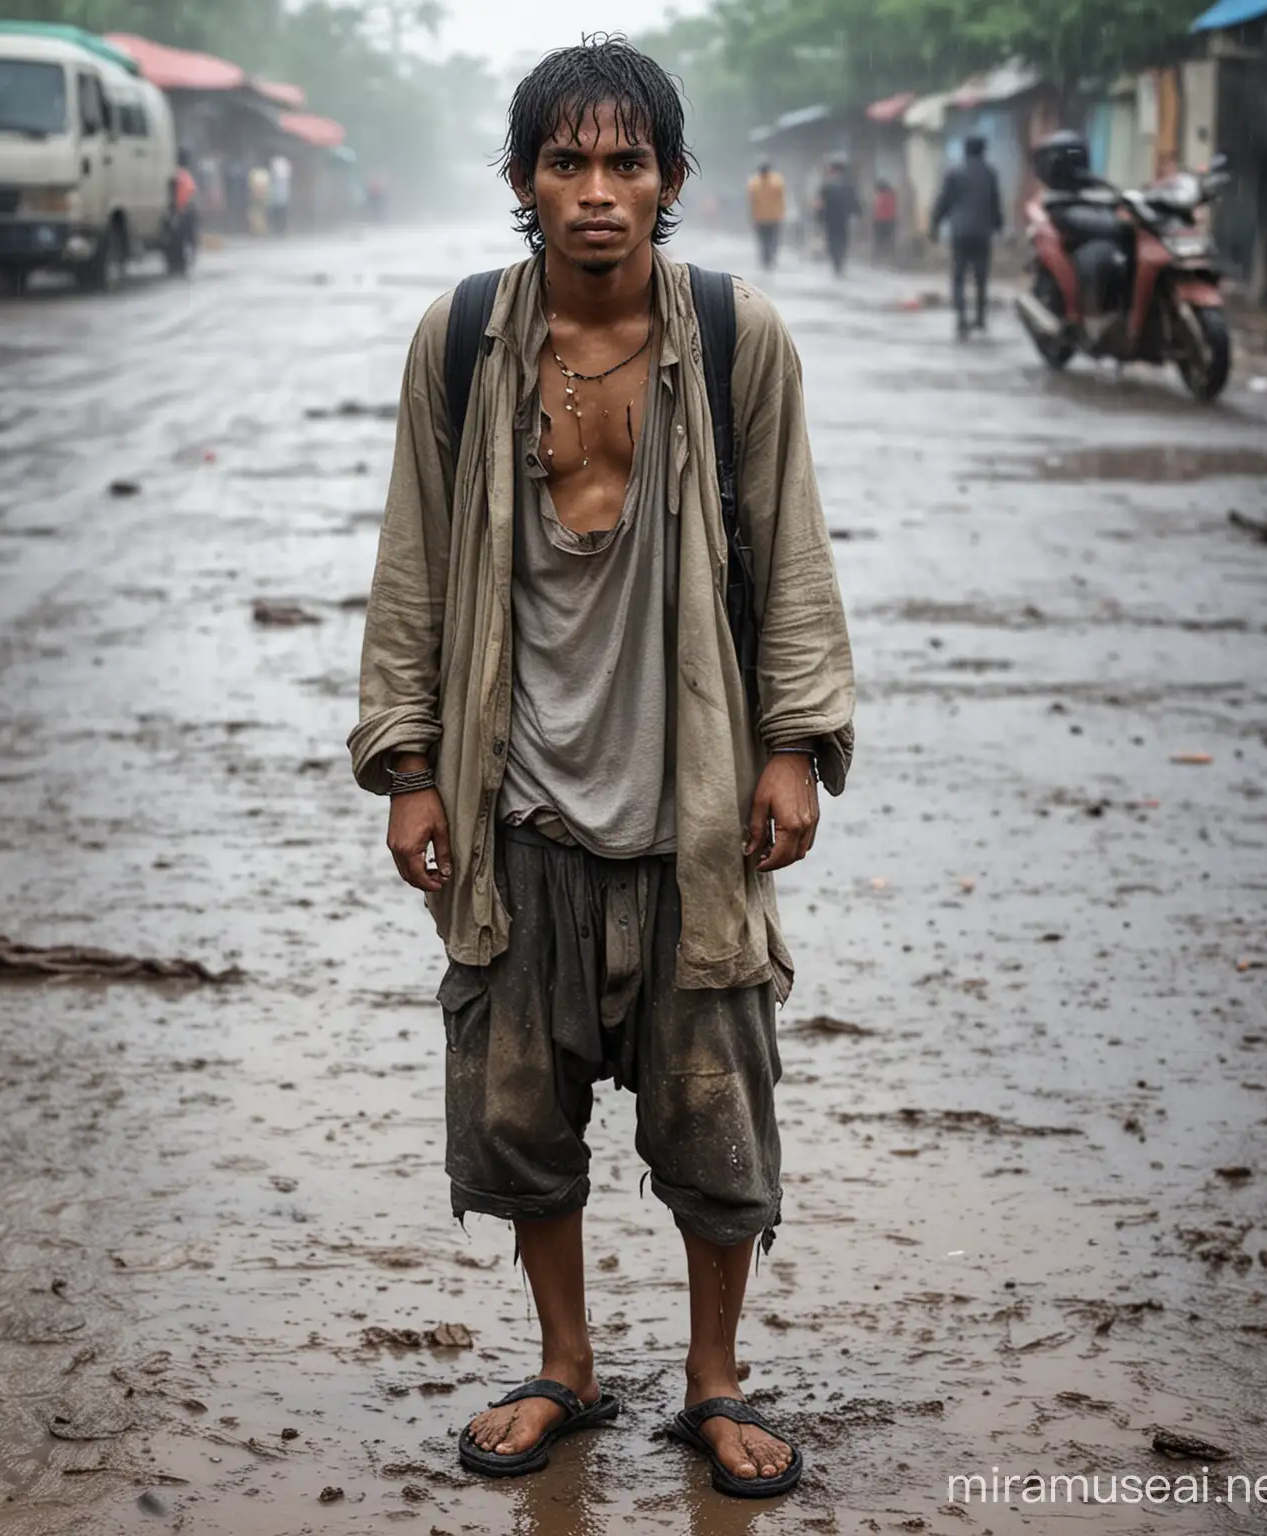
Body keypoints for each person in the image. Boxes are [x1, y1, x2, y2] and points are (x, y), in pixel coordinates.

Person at [349, 35, 854, 1500]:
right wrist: (409, 767)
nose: (595, 191)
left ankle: (713, 1382)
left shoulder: (736, 337)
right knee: (517, 1112)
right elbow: (411, 568)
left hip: (692, 811)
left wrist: (793, 746)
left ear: (671, 182)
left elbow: (800, 552)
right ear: (522, 182)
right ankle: (564, 1362)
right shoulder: (460, 343)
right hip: (519, 812)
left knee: (715, 1115)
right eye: (564, 162)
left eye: (625, 162)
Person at [931, 133, 1004, 339]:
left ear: (965, 150)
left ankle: (961, 319)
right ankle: (980, 318)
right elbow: (996, 204)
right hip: (982, 233)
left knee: (959, 276)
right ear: (983, 150)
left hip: (960, 232)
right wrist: (1000, 227)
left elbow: (943, 202)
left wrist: (934, 225)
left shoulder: (954, 173)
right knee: (981, 277)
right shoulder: (991, 174)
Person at [815, 154, 859, 275]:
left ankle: (836, 261)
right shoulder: (849, 185)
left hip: (830, 220)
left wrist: (819, 217)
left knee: (832, 240)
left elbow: (820, 204)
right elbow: (854, 201)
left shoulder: (826, 185)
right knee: (843, 240)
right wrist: (856, 214)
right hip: (843, 219)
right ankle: (840, 260)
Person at [745, 158, 786, 270]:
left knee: (764, 240)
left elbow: (751, 201)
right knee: (772, 239)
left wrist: (751, 216)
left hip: (761, 218)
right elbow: (782, 198)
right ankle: (769, 258)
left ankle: (766, 259)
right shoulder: (777, 181)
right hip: (773, 217)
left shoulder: (753, 182)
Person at [872, 177, 898, 261]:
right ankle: (889, 255)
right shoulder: (892, 195)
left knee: (880, 239)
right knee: (889, 238)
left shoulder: (882, 196)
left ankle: (881, 256)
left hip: (881, 221)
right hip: (891, 220)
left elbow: (878, 209)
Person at [269, 151, 293, 236]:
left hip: (280, 196)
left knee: (281, 213)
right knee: (280, 213)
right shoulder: (278, 163)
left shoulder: (278, 163)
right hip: (278, 196)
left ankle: (281, 229)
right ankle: (280, 229)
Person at [247, 160, 272, 237]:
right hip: (261, 196)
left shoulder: (255, 173)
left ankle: (259, 231)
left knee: (256, 213)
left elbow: (251, 186)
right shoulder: (264, 173)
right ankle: (259, 231)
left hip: (258, 197)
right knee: (257, 213)